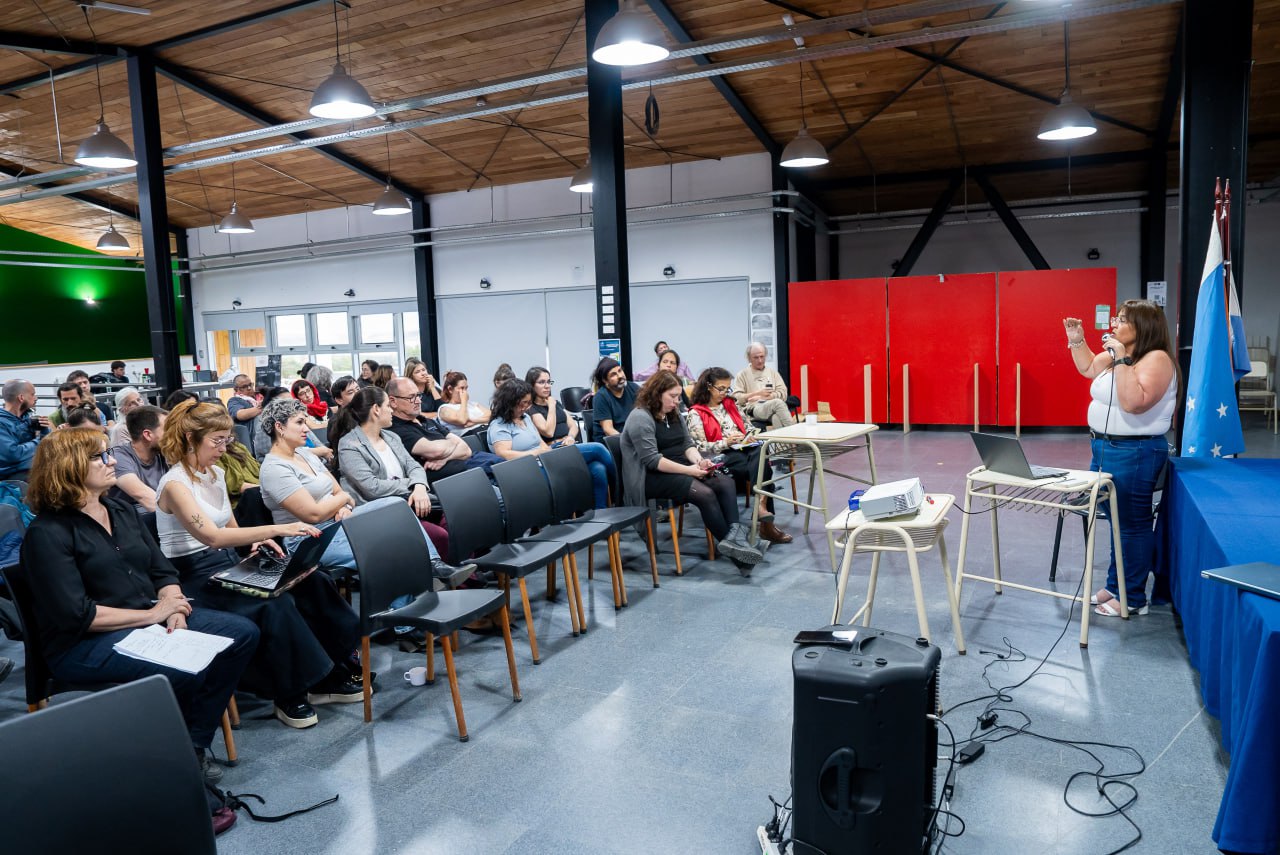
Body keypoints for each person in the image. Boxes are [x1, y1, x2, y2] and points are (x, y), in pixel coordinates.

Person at [20, 428, 258, 782]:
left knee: (241, 633)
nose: (112, 460)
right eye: (99, 456)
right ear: (69, 467)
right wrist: (154, 614)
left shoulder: (118, 509)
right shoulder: (47, 533)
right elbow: (79, 615)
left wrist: (174, 606)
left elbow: (161, 569)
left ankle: (191, 742)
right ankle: (174, 757)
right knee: (180, 667)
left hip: (146, 620)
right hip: (82, 645)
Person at [154, 399, 364, 729]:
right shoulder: (175, 485)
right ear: (190, 438)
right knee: (273, 605)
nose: (224, 448)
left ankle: (331, 669)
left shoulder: (214, 472)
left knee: (313, 579)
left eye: (226, 440)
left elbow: (230, 526)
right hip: (194, 576)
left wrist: (252, 540)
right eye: (217, 441)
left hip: (226, 561)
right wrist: (277, 529)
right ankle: (290, 691)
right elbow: (211, 536)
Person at [257, 396, 471, 581]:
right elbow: (314, 514)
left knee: (396, 504)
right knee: (390, 548)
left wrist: (341, 504)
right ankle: (401, 623)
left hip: (337, 521)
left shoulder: (304, 454)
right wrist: (340, 503)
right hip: (308, 540)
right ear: (280, 427)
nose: (306, 428)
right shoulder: (275, 469)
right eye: (300, 422)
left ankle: (435, 564)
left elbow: (339, 492)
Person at [1064, 300, 1176, 618]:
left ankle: (1133, 598)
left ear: (1141, 327)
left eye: (1122, 319)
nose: (1114, 323)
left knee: (1131, 524)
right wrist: (1077, 338)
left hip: (1135, 452)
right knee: (1116, 521)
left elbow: (1133, 403)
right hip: (1105, 448)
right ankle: (1117, 586)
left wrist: (1123, 359)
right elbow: (1087, 367)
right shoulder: (1119, 355)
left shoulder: (1155, 359)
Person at [620, 371, 764, 574]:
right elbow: (653, 461)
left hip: (677, 467)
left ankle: (736, 542)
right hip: (649, 477)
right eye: (672, 396)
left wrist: (700, 461)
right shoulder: (640, 418)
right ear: (657, 393)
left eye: (678, 396)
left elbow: (687, 444)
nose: (677, 401)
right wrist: (690, 470)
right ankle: (739, 555)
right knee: (704, 493)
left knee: (724, 483)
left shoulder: (673, 412)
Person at [330, 386, 452, 561]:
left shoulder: (391, 437)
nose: (392, 410)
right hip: (379, 511)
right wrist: (411, 484)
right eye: (388, 405)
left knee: (455, 519)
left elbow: (414, 467)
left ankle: (464, 579)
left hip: (407, 502)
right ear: (376, 410)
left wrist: (418, 486)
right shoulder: (349, 444)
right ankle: (438, 575)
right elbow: (373, 488)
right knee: (439, 535)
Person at [687, 368, 792, 544]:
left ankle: (761, 508)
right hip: (720, 457)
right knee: (761, 462)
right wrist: (725, 442)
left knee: (760, 450)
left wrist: (749, 435)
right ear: (708, 386)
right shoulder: (696, 413)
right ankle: (764, 518)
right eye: (721, 388)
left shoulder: (730, 404)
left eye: (727, 388)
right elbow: (699, 448)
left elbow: (748, 425)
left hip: (744, 451)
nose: (724, 393)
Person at [525, 367, 617, 508]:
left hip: (568, 445)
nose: (547, 386)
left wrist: (570, 437)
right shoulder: (532, 409)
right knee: (598, 448)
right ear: (532, 385)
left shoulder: (556, 403)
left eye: (549, 382)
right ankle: (623, 485)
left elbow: (573, 426)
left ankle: (601, 514)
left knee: (598, 469)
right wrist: (550, 406)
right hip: (553, 451)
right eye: (542, 382)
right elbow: (548, 431)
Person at [384, 378, 500, 484]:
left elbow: (466, 450)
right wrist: (453, 443)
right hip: (457, 480)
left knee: (504, 467)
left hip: (473, 468)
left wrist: (445, 458)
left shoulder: (427, 421)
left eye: (418, 395)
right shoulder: (396, 430)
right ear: (393, 402)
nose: (418, 401)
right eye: (411, 397)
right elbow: (436, 451)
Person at [109, 405, 168, 511]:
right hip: (132, 523)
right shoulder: (118, 457)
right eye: (167, 430)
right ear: (148, 435)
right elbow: (146, 498)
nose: (172, 435)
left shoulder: (164, 453)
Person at [733, 343, 795, 430]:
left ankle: (786, 443)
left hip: (771, 407)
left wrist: (766, 397)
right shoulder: (742, 375)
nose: (760, 360)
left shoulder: (773, 373)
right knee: (778, 403)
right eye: (756, 357)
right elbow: (736, 398)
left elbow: (783, 393)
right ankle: (796, 436)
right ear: (749, 358)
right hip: (753, 409)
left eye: (762, 356)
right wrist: (755, 394)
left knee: (776, 418)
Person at [0, 379, 49, 480]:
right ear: (21, 398)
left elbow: (49, 445)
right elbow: (13, 454)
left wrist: (44, 430)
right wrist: (40, 440)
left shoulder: (27, 418)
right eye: (32, 394)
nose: (36, 398)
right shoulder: (2, 423)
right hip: (11, 479)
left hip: (30, 469)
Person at [591, 358, 640, 437]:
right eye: (613, 374)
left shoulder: (633, 388)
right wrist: (628, 443)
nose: (620, 376)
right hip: (611, 442)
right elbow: (608, 430)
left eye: (620, 371)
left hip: (632, 436)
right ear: (605, 380)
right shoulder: (601, 397)